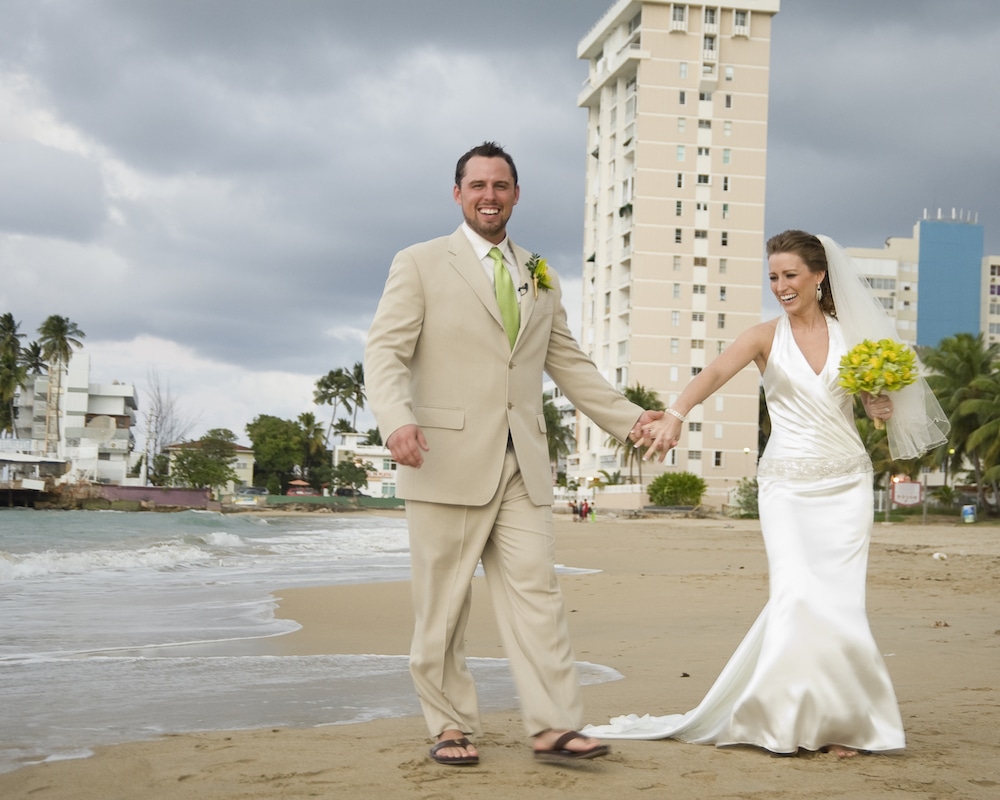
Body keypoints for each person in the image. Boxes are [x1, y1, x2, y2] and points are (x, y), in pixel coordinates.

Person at [585, 230, 949, 757]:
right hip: (787, 486)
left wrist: (878, 406)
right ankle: (783, 717)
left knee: (840, 604)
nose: (780, 285)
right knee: (798, 594)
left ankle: (840, 725)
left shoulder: (857, 339)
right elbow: (712, 372)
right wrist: (677, 416)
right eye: (773, 276)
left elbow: (871, 405)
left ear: (819, 276)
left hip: (846, 483)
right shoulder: (763, 337)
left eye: (790, 275)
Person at [365, 141, 659, 766]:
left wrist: (635, 421)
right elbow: (385, 352)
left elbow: (571, 366)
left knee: (538, 592)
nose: (490, 196)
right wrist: (396, 420)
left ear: (517, 194)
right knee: (444, 605)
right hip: (441, 458)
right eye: (478, 186)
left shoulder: (539, 272)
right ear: (458, 194)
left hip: (523, 462)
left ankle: (554, 725)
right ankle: (449, 726)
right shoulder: (418, 263)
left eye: (501, 185)